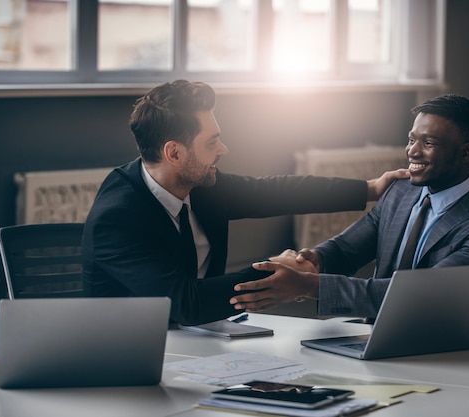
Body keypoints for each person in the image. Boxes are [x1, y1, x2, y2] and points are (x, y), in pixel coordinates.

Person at [81, 79, 408, 325]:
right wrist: (277, 273)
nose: (223, 149)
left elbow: (273, 191)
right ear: (175, 153)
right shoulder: (118, 217)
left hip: (200, 338)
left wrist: (370, 188)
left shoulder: (200, 184)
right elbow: (185, 304)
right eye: (212, 142)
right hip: (127, 351)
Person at [230, 94, 469, 318]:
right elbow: (347, 249)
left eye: (428, 142)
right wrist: (311, 259)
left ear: (466, 152)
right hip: (375, 336)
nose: (412, 151)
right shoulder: (400, 192)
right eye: (411, 139)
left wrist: (307, 285)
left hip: (445, 351)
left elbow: (418, 297)